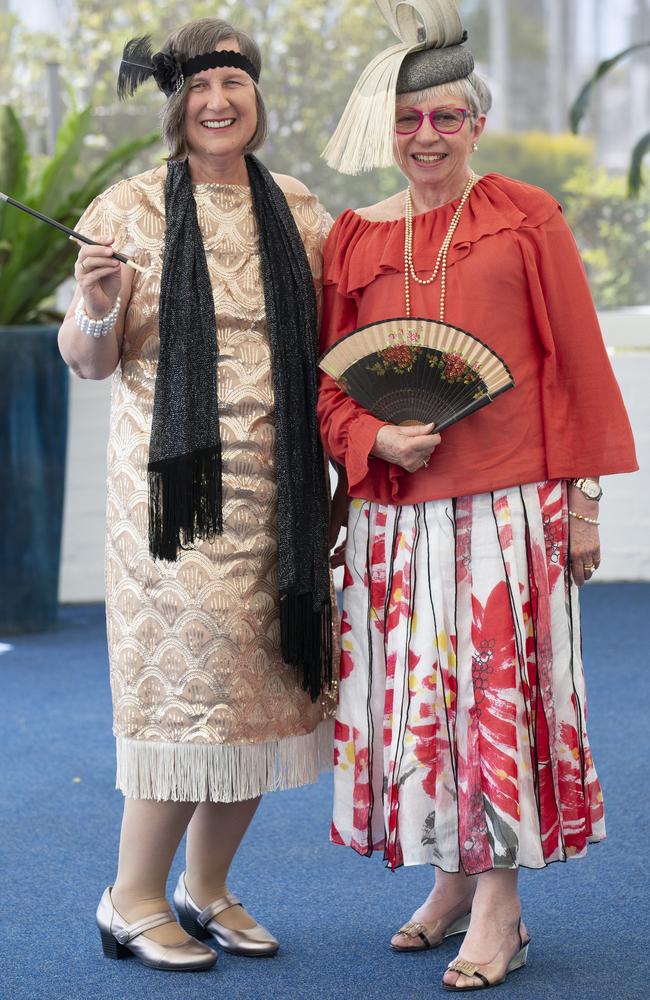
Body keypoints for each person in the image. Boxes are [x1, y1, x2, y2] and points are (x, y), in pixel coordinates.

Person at [318, 0, 637, 991]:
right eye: (409, 119)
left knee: (498, 700)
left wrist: (582, 500)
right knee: (421, 702)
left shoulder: (524, 215)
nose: (425, 136)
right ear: (390, 128)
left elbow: (576, 362)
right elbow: (325, 382)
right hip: (391, 515)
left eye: (445, 118)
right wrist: (370, 435)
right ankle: (450, 879)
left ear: (474, 125)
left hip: (512, 506)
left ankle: (499, 901)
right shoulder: (352, 238)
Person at [58, 17, 335, 973]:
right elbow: (89, 361)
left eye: (236, 89)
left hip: (283, 493)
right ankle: (129, 896)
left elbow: (343, 340)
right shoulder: (127, 207)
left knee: (261, 693)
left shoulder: (298, 209)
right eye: (202, 92)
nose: (219, 105)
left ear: (256, 102)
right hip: (174, 501)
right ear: (179, 107)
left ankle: (206, 887)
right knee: (188, 696)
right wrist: (96, 300)